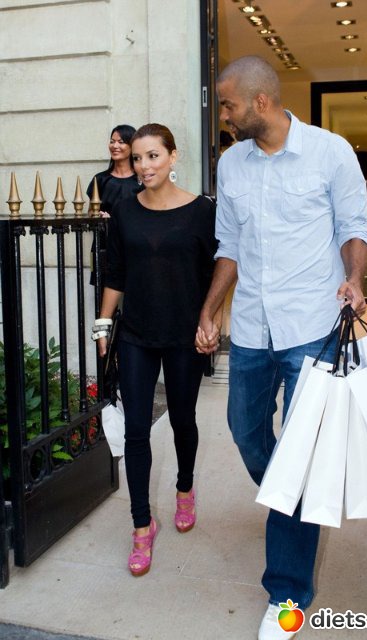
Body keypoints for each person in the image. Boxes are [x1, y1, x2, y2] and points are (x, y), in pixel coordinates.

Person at [195, 56, 367, 640]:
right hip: (251, 327)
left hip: (311, 324)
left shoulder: (330, 152)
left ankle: (288, 593)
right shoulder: (232, 163)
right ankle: (293, 496)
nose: (224, 115)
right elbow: (229, 245)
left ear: (260, 102)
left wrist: (355, 279)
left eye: (228, 105)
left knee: (296, 453)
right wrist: (209, 310)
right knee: (246, 433)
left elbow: (353, 228)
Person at [92, 123, 218, 577]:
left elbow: (218, 272)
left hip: (184, 336)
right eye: (138, 158)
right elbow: (116, 273)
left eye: (153, 156)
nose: (144, 166)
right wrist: (103, 325)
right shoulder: (125, 210)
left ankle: (184, 488)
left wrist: (211, 320)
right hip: (136, 335)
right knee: (136, 432)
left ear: (172, 156)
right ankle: (141, 527)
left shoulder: (202, 210)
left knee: (183, 420)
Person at [86, 124, 143, 283]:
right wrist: (98, 217)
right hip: (104, 244)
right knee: (104, 289)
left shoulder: (141, 180)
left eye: (121, 142)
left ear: (132, 146)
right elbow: (90, 214)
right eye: (112, 141)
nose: (115, 146)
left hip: (133, 244)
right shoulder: (100, 179)